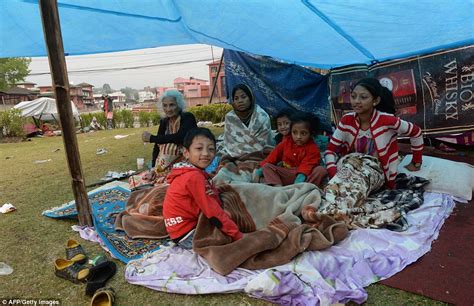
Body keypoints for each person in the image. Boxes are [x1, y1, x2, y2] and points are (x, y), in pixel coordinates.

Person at [325, 77, 424, 189]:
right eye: (353, 96)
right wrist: (333, 174)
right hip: (350, 167)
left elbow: (416, 132)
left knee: (349, 191)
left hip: (374, 172)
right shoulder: (346, 120)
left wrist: (416, 162)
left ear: (375, 101)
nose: (356, 101)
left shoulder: (387, 120)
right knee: (337, 189)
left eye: (363, 97)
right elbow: (330, 150)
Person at [163, 127, 243, 249]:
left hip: (176, 231)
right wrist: (237, 235)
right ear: (186, 152)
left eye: (211, 149)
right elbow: (213, 211)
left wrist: (214, 193)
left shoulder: (186, 171)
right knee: (229, 233)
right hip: (188, 234)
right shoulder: (194, 176)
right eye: (199, 148)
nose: (206, 153)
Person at [255, 112, 327, 187]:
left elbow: (306, 166)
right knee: (267, 166)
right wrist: (259, 171)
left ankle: (302, 189)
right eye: (294, 132)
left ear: (311, 134)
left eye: (303, 133)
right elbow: (273, 156)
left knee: (321, 170)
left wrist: (297, 184)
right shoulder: (286, 142)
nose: (298, 136)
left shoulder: (313, 148)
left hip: (305, 176)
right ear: (291, 131)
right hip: (287, 173)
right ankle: (278, 188)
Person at [141, 89, 197, 182]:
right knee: (139, 181)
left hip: (185, 166)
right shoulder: (164, 122)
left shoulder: (187, 117)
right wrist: (152, 169)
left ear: (179, 105)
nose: (168, 109)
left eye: (172, 105)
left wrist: (152, 138)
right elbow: (157, 146)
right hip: (163, 169)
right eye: (165, 105)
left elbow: (180, 137)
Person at [218, 84, 274, 157]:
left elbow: (265, 143)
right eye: (236, 98)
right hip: (235, 154)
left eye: (243, 97)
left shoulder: (262, 116)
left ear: (250, 98)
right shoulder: (230, 117)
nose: (240, 101)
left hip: (260, 154)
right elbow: (230, 143)